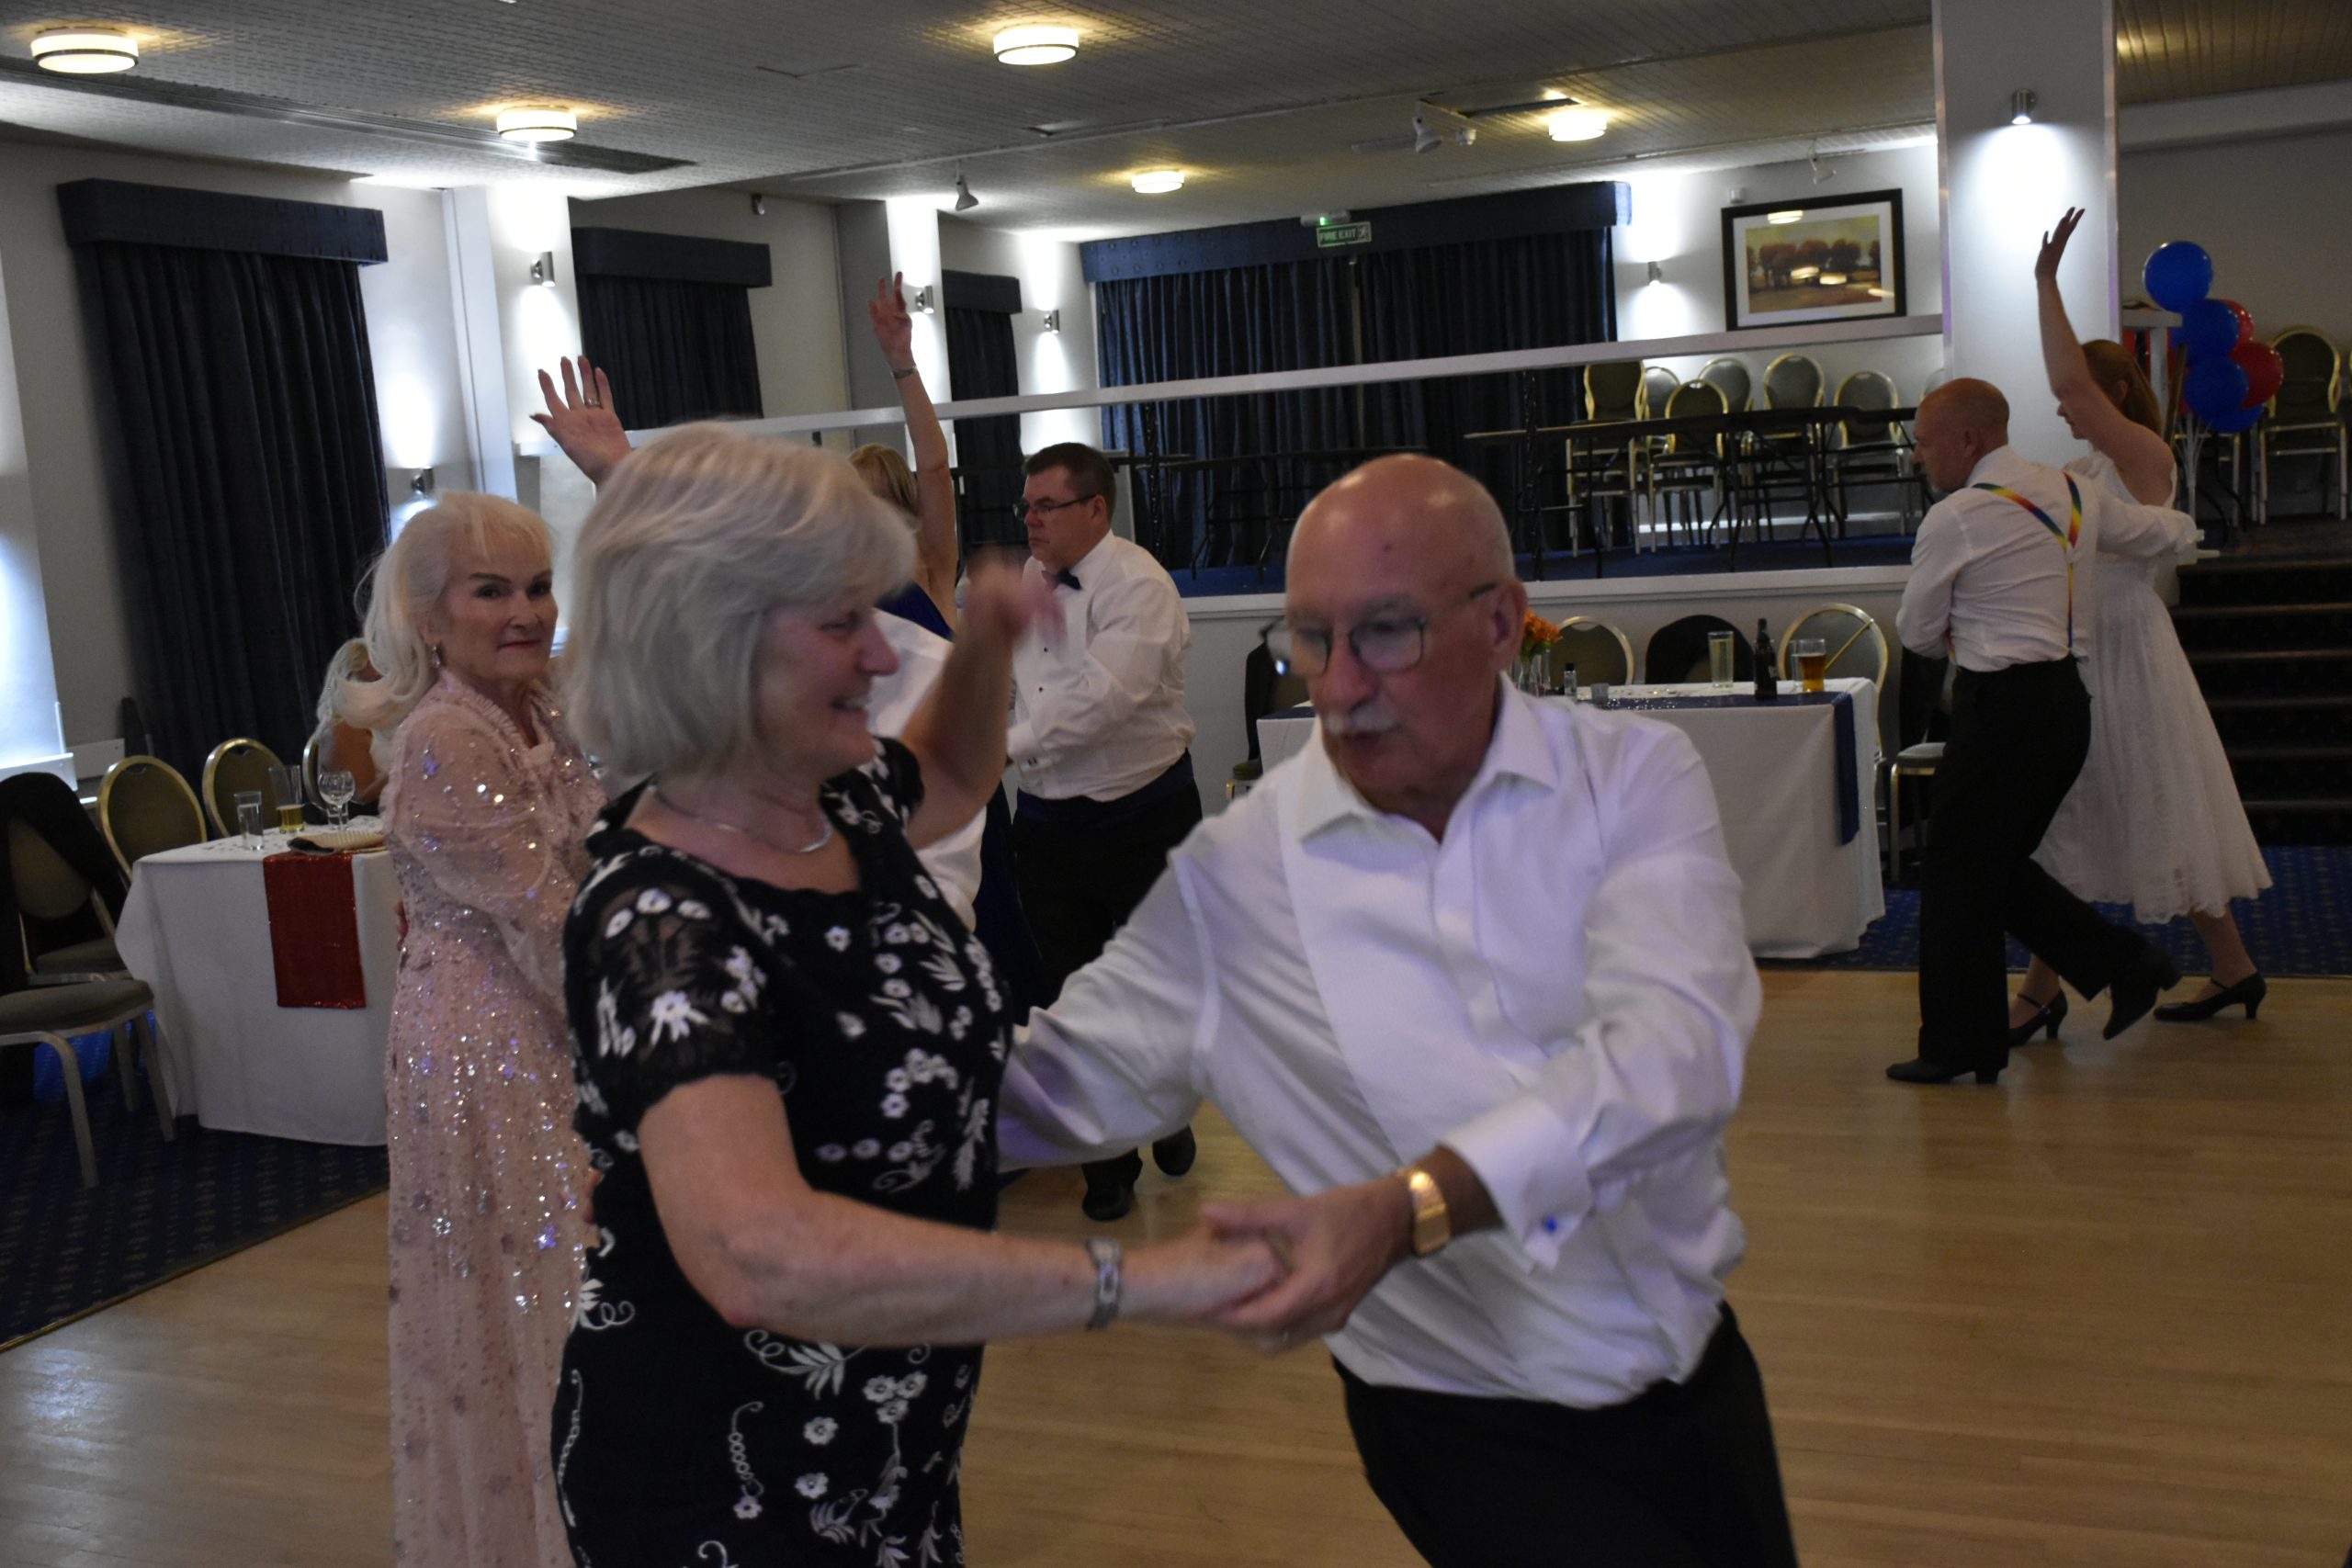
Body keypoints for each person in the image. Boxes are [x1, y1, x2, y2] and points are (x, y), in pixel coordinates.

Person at [1001, 454, 1802, 1568]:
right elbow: (1051, 1083)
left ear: (1502, 623)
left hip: (1696, 1366)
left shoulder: (1627, 775)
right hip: (1465, 1418)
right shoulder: (1244, 874)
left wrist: (1402, 1210)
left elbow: (1672, 1056)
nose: (1336, 686)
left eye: (1385, 633)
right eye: (1310, 639)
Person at [547, 423, 1281, 1565]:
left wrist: (985, 644)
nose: (882, 660)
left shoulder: (829, 802)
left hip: (888, 1447)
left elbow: (947, 770)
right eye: (841, 624)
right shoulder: (661, 915)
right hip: (730, 1485)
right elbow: (757, 1252)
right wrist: (1136, 1280)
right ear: (711, 638)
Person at [335, 493, 607, 1568]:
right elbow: (552, 925)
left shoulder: (541, 707)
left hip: (545, 1026)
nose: (525, 611)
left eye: (537, 586)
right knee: (540, 1290)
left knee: (578, 1286)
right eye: (490, 591)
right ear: (430, 615)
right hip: (489, 1050)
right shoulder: (445, 736)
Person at [2004, 207, 2270, 1043]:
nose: (2066, 411)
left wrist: (2045, 284)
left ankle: (2053, 990)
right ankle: (2215, 969)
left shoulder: (2146, 458)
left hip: (2129, 646)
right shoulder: (2083, 466)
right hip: (2089, 646)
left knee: (2154, 802)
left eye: (2084, 398)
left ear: (2116, 394)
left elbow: (2069, 386)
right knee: (2076, 811)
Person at [1891, 378, 2194, 1085]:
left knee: (1959, 869)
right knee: (1984, 870)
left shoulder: (1957, 517)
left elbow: (1916, 633)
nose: (1918, 456)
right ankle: (2111, 972)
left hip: (2000, 711)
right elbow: (2158, 531)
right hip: (2065, 708)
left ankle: (1968, 1041)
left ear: (1967, 440)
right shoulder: (2072, 491)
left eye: (1925, 443)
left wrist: (1960, 626)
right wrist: (2185, 524)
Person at [1008, 441, 1201, 1220]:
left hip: (1143, 814)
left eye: (1046, 506)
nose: (1031, 520)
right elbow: (1013, 684)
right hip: (1047, 822)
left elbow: (1103, 700)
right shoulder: (1022, 582)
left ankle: (1169, 1106)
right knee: (1071, 996)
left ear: (1096, 508)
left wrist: (1001, 746)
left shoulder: (1140, 584)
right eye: (1026, 506)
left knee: (1158, 987)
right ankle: (1106, 1164)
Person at [852, 272, 961, 637]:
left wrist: (901, 360)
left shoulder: (931, 562)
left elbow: (934, 467)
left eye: (878, 500)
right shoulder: (840, 585)